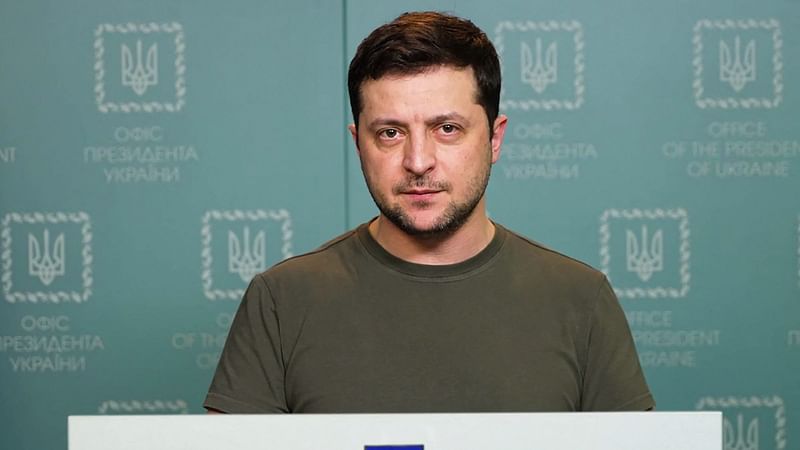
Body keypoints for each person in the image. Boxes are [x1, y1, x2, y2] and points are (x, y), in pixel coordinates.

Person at [204, 11, 654, 413]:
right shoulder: (281, 301)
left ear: (495, 139)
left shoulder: (581, 300)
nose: (418, 161)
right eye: (390, 133)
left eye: (447, 128)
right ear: (357, 142)